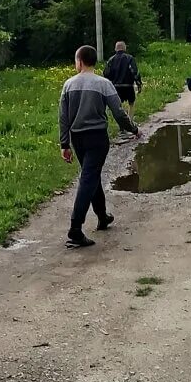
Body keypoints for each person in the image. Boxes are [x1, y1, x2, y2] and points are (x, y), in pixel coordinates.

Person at [59, 44, 140, 249]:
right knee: (89, 176)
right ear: (94, 61)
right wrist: (134, 129)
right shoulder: (104, 84)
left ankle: (103, 217)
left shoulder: (68, 85)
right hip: (97, 138)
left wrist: (64, 144)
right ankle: (75, 229)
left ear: (79, 61)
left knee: (90, 175)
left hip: (78, 139)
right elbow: (119, 113)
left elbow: (63, 117)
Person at [102, 40, 142, 114]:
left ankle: (119, 119)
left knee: (117, 104)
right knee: (131, 103)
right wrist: (139, 83)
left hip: (115, 86)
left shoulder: (111, 60)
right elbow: (134, 72)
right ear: (125, 48)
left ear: (115, 49)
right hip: (128, 86)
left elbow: (106, 73)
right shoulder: (130, 58)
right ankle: (130, 120)